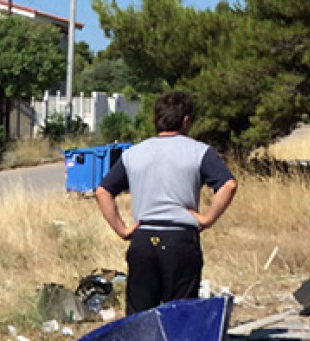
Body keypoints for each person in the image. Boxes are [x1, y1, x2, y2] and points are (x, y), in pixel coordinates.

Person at [94, 91, 238, 315]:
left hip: (143, 239)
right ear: (186, 120)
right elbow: (228, 185)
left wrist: (122, 230)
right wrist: (207, 219)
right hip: (180, 239)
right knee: (179, 315)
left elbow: (103, 191)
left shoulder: (134, 153)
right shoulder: (199, 151)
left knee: (139, 317)